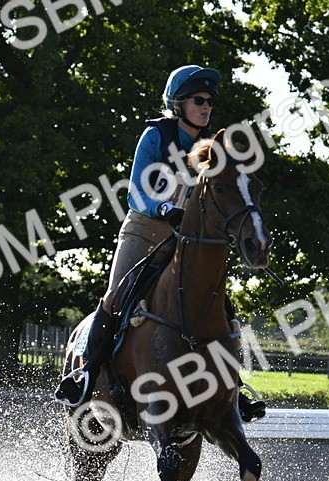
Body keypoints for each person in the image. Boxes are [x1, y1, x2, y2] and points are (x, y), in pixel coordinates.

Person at [55, 64, 265, 421]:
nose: (206, 106)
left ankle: (233, 389)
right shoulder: (155, 137)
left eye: (210, 101)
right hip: (142, 231)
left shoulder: (211, 149)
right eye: (199, 100)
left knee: (220, 306)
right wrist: (165, 207)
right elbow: (136, 192)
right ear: (178, 103)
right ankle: (85, 374)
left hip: (181, 241)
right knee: (115, 298)